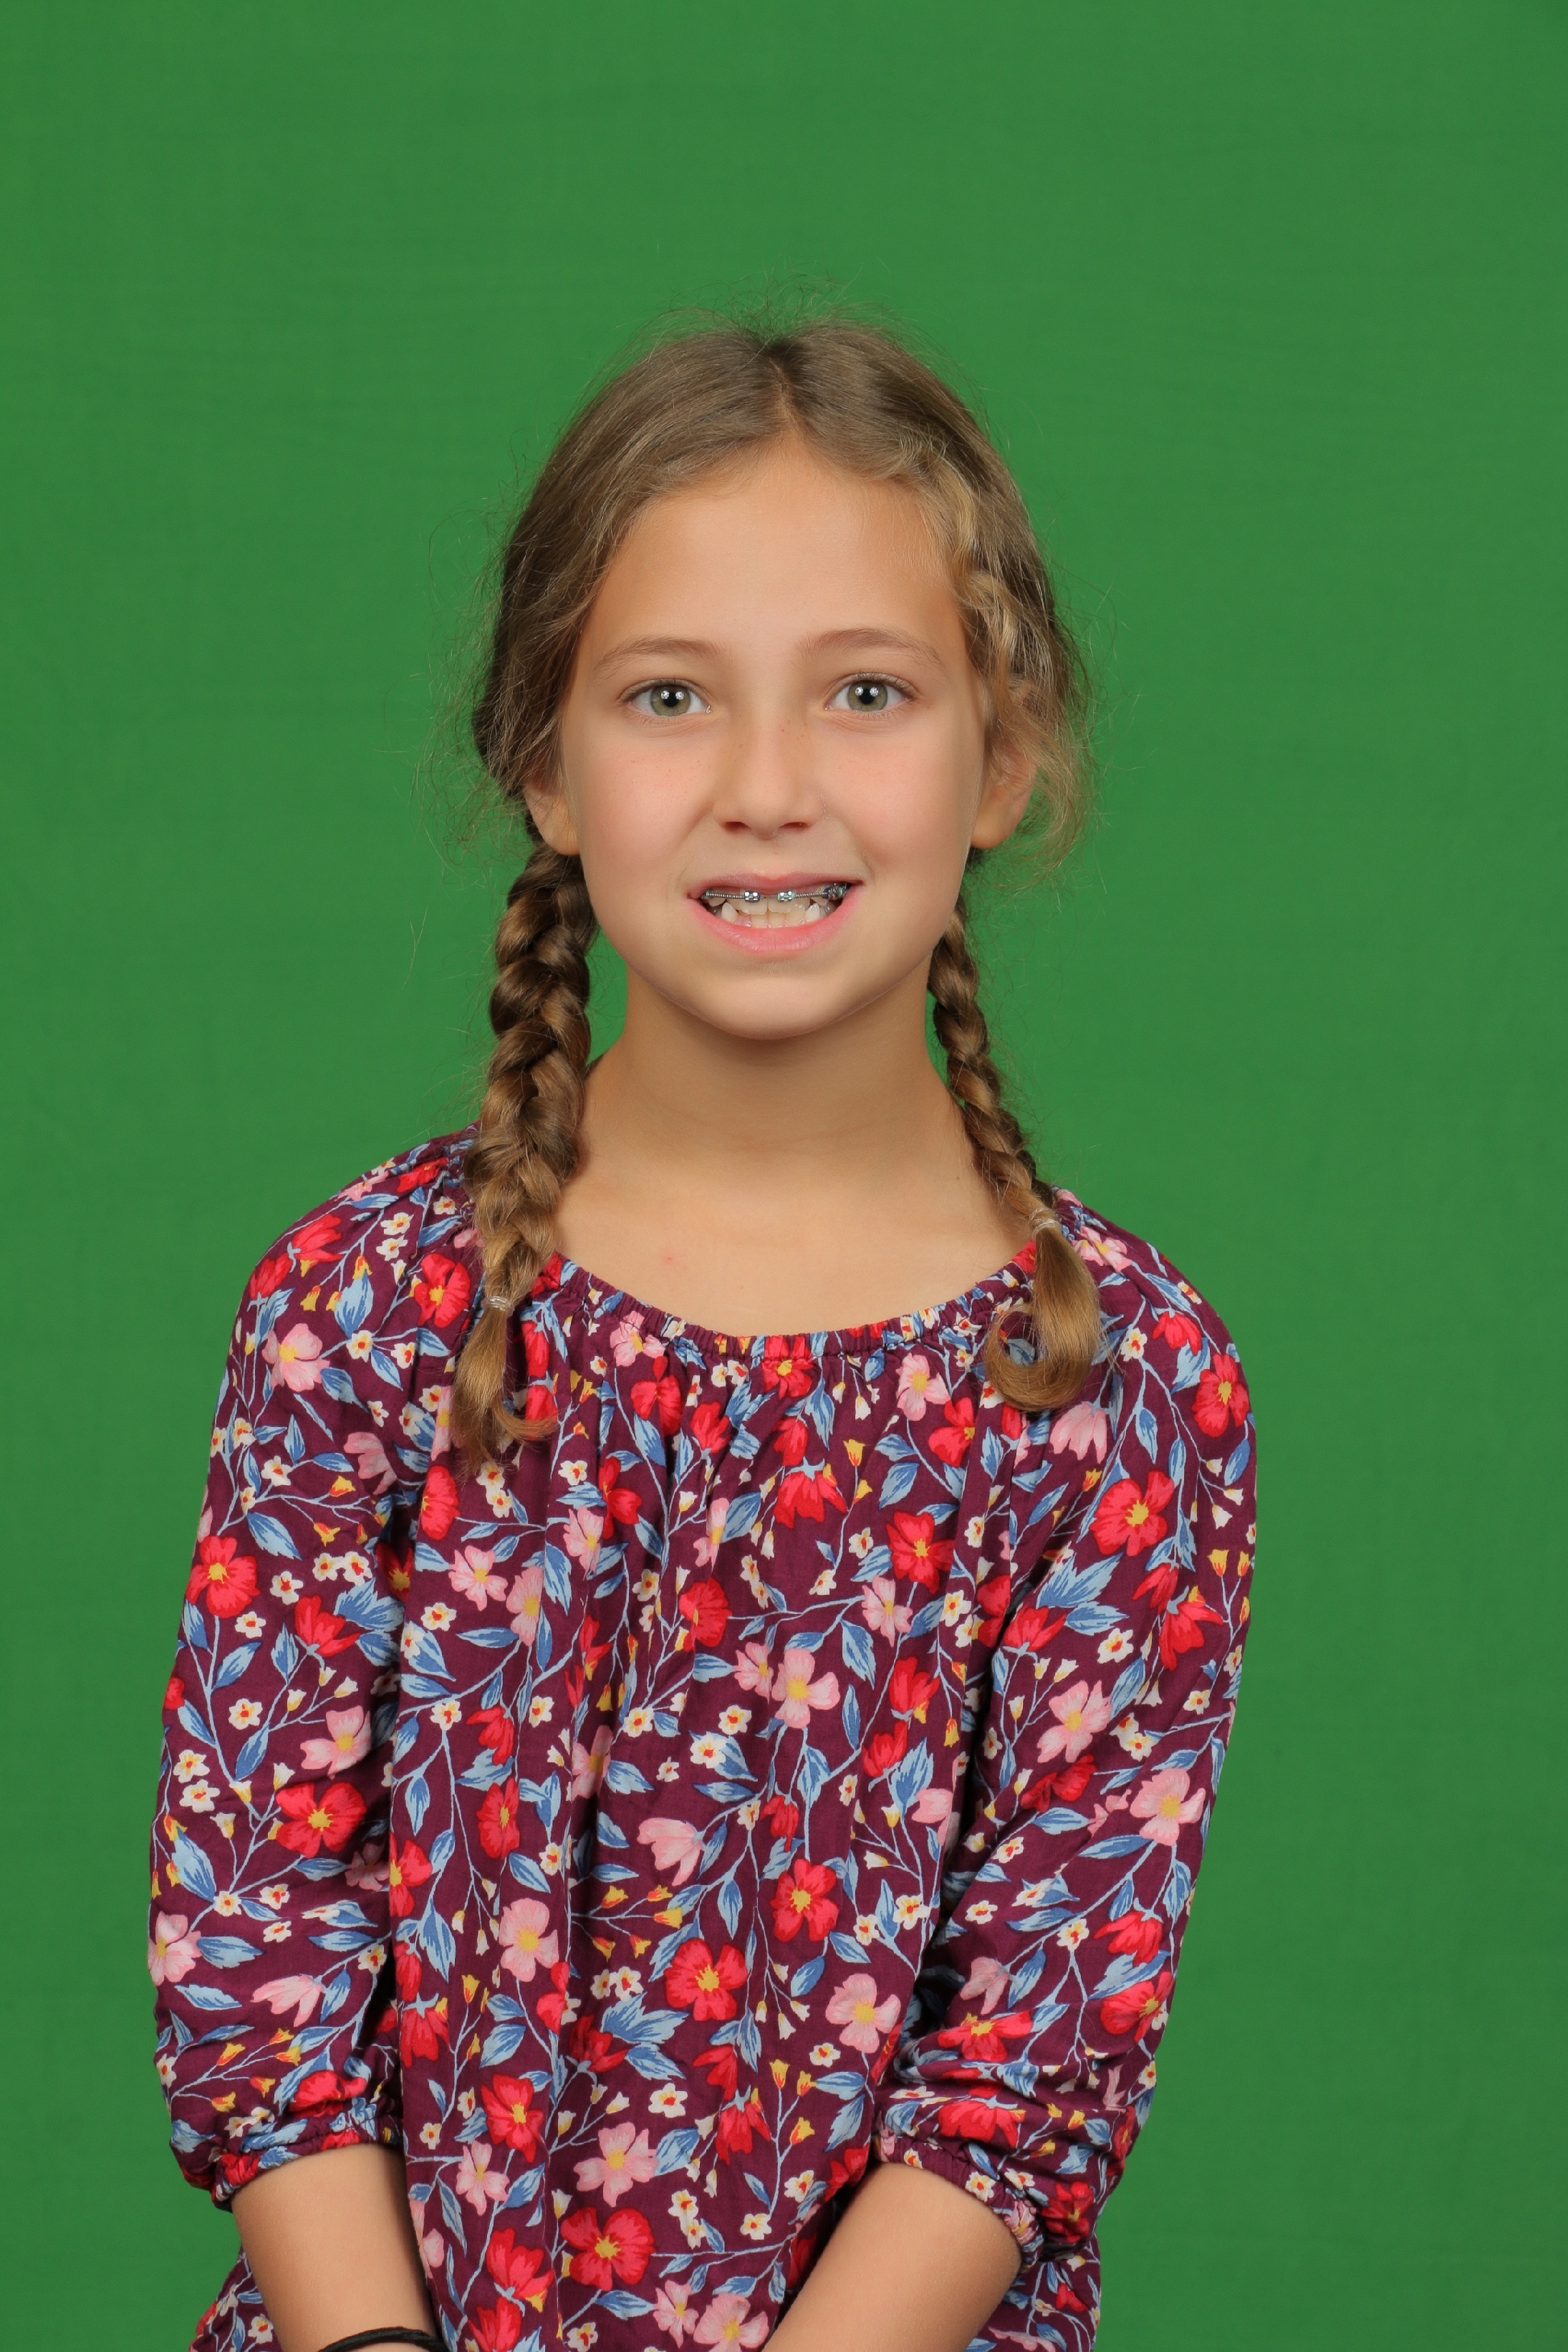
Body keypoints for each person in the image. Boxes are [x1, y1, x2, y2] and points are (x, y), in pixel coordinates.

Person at [150, 316, 1256, 2352]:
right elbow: (260, 1953)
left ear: (1002, 756)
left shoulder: (1116, 1383)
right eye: (670, 696)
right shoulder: (364, 1310)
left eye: (866, 692)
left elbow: (1025, 2077)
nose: (767, 788)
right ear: (546, 766)